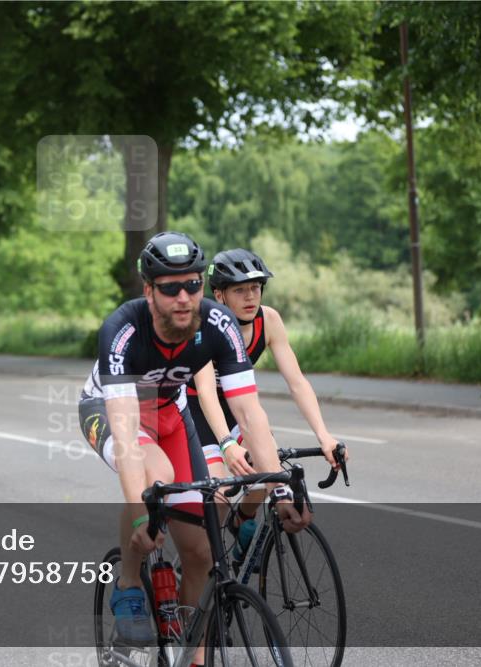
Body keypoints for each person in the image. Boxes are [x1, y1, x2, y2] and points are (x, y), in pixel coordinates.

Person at [76, 232, 305, 658]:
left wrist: (280, 490)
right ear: (149, 290)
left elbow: (250, 414)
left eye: (193, 285)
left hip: (169, 412)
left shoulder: (217, 324)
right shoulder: (123, 329)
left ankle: (192, 653)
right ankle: (128, 584)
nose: (184, 297)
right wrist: (142, 511)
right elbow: (126, 436)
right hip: (112, 412)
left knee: (200, 551)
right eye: (169, 287)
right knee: (156, 476)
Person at [188, 248, 345, 557]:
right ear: (219, 295)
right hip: (197, 411)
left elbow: (297, 383)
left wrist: (324, 435)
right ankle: (201, 566)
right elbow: (206, 392)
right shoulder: (204, 323)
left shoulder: (269, 320)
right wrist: (225, 444)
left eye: (255, 288)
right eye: (240, 290)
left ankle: (243, 520)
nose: (250, 297)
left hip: (236, 406)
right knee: (219, 495)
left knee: (267, 467)